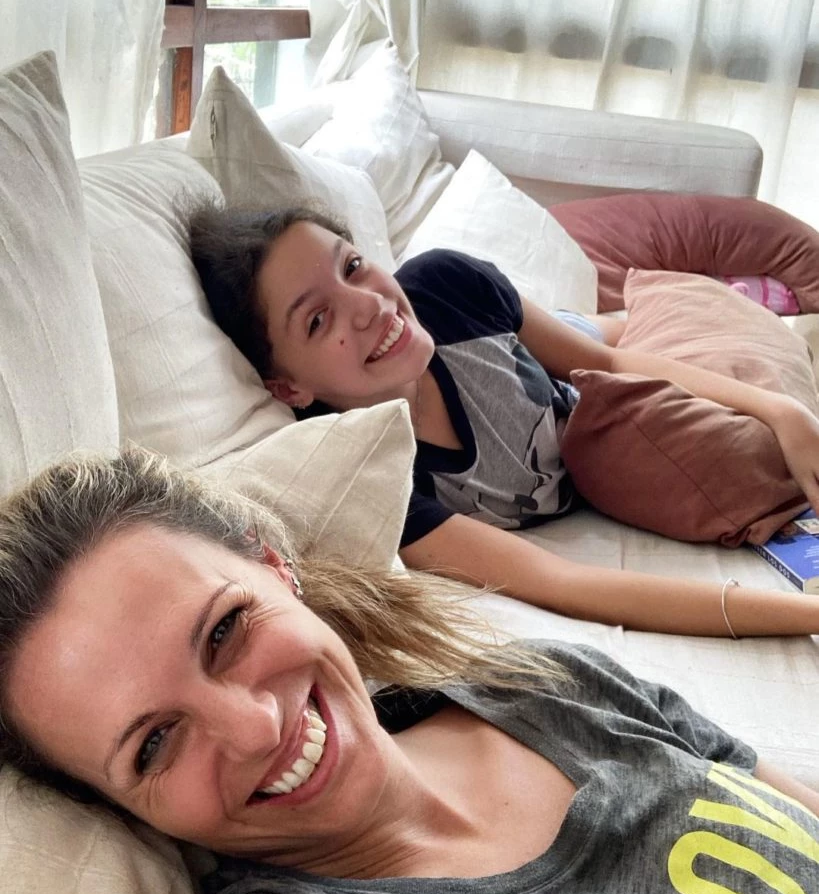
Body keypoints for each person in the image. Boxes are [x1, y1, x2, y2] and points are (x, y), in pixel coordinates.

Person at [1, 448, 818, 894]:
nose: (254, 730)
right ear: (119, 808)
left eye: (224, 632)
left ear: (275, 569)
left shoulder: (547, 680)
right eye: (153, 745)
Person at [189, 205, 819, 639]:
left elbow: (608, 364)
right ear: (288, 388)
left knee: (642, 326)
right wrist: (804, 615)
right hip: (549, 394)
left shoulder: (445, 286)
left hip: (558, 367)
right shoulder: (380, 483)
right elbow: (563, 582)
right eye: (317, 320)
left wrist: (781, 411)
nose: (368, 305)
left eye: (351, 266)